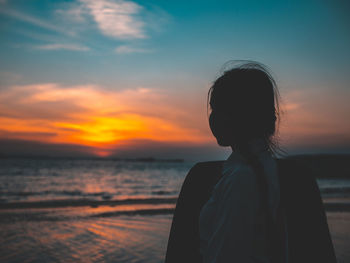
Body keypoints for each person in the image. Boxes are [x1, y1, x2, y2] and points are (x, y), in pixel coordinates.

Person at [165, 62, 336, 263]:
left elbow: (225, 255)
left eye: (216, 109)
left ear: (234, 117)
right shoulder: (262, 171)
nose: (211, 118)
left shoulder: (241, 178)